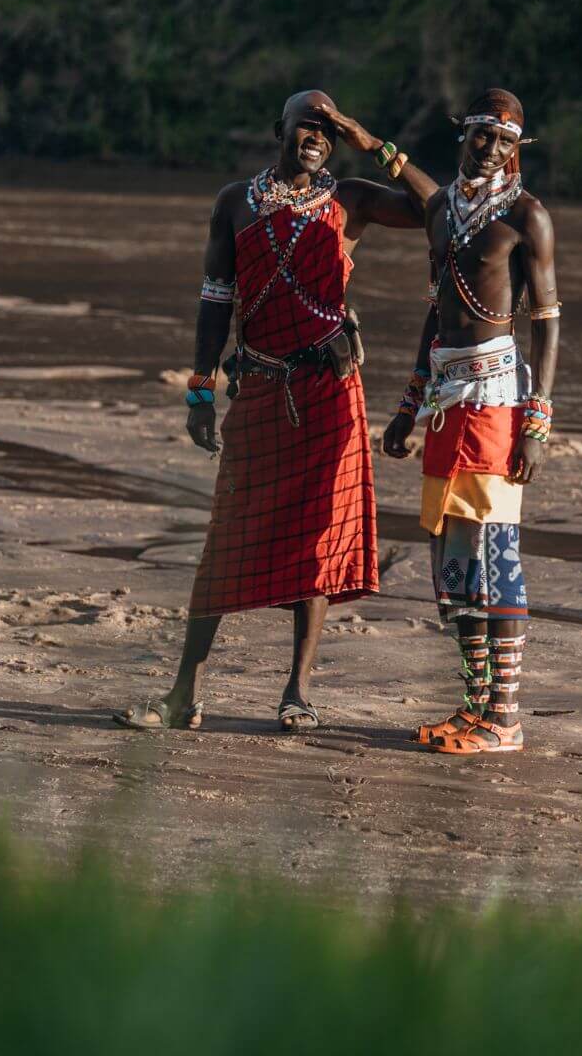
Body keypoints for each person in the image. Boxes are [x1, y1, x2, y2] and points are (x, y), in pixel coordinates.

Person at [117, 90, 437, 733]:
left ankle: (297, 692)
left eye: (328, 129)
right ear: (279, 131)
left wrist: (373, 144)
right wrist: (200, 388)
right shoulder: (234, 203)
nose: (317, 136)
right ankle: (185, 694)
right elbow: (215, 299)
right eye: (306, 125)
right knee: (226, 539)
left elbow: (442, 213)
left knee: (318, 543)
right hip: (259, 389)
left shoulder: (350, 198)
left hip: (331, 397)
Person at [382, 88, 560, 755]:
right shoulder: (451, 214)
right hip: (445, 404)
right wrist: (407, 404)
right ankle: (472, 708)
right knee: (451, 566)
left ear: (518, 151)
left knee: (494, 556)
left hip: (496, 403)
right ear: (464, 138)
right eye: (482, 137)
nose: (491, 150)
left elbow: (546, 322)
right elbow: (437, 313)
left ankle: (505, 719)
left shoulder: (526, 218)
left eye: (505, 142)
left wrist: (537, 421)